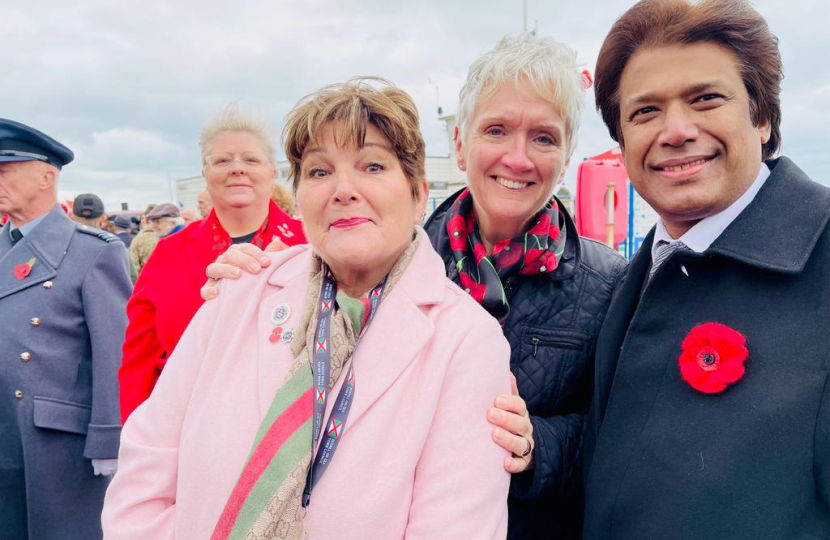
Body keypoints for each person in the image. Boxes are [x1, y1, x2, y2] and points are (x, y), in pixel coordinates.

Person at [202, 35, 625, 539]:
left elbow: (620, 438)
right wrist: (254, 290)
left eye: (544, 138)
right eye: (496, 130)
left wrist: (538, 446)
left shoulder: (607, 284)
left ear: (566, 155)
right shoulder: (385, 261)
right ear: (461, 146)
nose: (518, 157)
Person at [103, 79, 511, 540]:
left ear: (418, 195)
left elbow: (455, 528)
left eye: (372, 165)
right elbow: (149, 458)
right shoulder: (239, 290)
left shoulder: (466, 338)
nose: (343, 189)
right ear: (298, 198)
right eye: (319, 172)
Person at [581, 0, 830, 538]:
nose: (675, 130)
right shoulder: (637, 275)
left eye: (706, 99)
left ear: (762, 117)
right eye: (644, 112)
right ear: (622, 144)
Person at [118, 104, 307, 422]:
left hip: (288, 432)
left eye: (251, 159)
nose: (237, 168)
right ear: (205, 174)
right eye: (222, 160)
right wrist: (133, 441)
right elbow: (139, 361)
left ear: (272, 172)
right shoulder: (168, 254)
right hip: (186, 429)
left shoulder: (310, 245)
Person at [0, 118, 131, 540]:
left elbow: (114, 350)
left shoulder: (92, 251)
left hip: (56, 442)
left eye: (4, 170)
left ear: (46, 176)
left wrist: (110, 442)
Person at [129, 203, 159, 273]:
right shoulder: (171, 236)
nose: (142, 221)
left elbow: (133, 268)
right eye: (141, 218)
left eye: (143, 218)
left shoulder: (138, 240)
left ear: (148, 220)